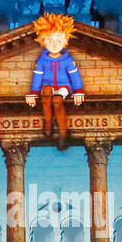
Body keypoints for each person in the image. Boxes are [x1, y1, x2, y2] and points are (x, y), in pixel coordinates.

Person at [25, 13, 85, 149]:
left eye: (58, 40)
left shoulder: (68, 60)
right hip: (47, 86)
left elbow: (75, 76)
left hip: (63, 87)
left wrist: (79, 91)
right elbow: (37, 78)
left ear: (65, 41)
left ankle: (63, 133)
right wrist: (33, 93)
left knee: (57, 100)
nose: (54, 44)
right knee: (46, 92)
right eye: (49, 40)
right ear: (43, 40)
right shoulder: (42, 61)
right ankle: (47, 123)